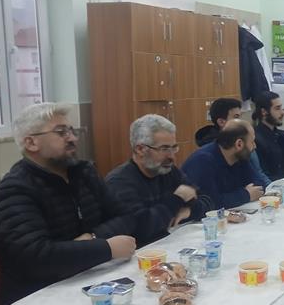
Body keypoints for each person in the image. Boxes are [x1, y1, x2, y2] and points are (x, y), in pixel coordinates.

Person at [0, 103, 136, 305]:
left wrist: (92, 238)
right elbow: (34, 258)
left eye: (71, 131)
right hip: (38, 298)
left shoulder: (84, 172)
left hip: (90, 277)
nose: (73, 138)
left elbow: (126, 216)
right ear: (31, 143)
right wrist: (106, 247)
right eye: (61, 132)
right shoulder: (16, 188)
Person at [106, 115, 215, 245]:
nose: (172, 156)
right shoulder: (119, 182)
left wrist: (189, 211)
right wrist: (177, 199)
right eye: (164, 149)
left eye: (174, 148)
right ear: (140, 149)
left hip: (169, 243)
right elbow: (140, 228)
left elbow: (207, 201)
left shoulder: (168, 170)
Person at [182, 119, 265, 209]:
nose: (255, 146)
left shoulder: (240, 156)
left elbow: (259, 184)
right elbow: (211, 203)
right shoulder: (203, 161)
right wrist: (246, 195)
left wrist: (234, 197)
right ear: (239, 144)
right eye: (252, 142)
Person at [195, 97, 271, 187]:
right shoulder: (209, 156)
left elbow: (257, 177)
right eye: (236, 117)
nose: (241, 122)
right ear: (221, 122)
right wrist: (245, 193)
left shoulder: (243, 142)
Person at [252, 91, 284, 180]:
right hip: (274, 185)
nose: (283, 112)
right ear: (264, 112)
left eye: (281, 107)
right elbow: (262, 174)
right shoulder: (255, 139)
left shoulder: (283, 136)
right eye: (277, 108)